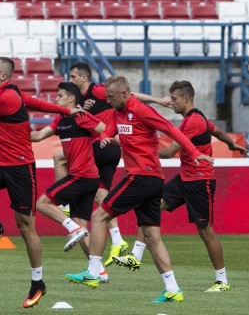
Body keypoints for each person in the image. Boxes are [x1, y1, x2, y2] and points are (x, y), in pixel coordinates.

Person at [64, 75, 215, 304]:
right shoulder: (118, 111)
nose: (109, 102)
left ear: (126, 94)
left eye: (112, 98)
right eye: (107, 98)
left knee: (98, 216)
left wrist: (194, 154)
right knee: (153, 237)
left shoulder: (142, 111)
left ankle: (94, 271)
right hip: (151, 180)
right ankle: (173, 289)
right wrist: (104, 137)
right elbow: (111, 129)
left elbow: (171, 130)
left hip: (141, 177)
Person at [0, 56, 71, 308]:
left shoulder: (5, 97)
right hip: (1, 165)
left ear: (3, 76)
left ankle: (38, 283)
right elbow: (39, 104)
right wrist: (66, 110)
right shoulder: (12, 94)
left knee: (25, 228)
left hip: (21, 169)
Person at [131, 80, 247, 292]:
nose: (171, 103)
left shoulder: (192, 122)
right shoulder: (199, 117)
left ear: (186, 99)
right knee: (152, 207)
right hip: (184, 178)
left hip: (200, 181)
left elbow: (168, 152)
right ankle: (135, 256)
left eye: (174, 99)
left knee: (206, 232)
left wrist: (136, 150)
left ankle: (222, 281)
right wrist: (232, 144)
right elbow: (218, 132)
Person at [30, 82, 107, 281]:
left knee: (42, 203)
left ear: (71, 99)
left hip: (83, 176)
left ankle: (73, 229)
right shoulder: (60, 120)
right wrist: (14, 130)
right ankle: (99, 271)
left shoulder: (81, 116)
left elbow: (103, 128)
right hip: (85, 177)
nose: (56, 99)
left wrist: (88, 117)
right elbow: (38, 136)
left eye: (60, 95)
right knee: (81, 225)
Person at [62, 62, 127, 264]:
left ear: (84, 77)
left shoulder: (98, 90)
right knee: (101, 193)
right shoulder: (82, 102)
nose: (71, 80)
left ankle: (63, 202)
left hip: (103, 145)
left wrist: (158, 100)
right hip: (111, 150)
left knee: (61, 156)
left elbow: (131, 96)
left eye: (73, 77)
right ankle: (117, 239)